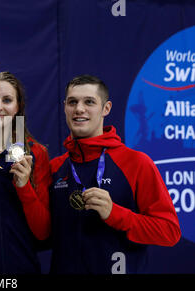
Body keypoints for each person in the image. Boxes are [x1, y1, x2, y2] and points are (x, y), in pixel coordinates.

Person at [48, 74, 181, 273]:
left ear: (106, 108)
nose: (79, 109)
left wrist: (116, 214)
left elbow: (169, 232)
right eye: (72, 102)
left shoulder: (136, 163)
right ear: (65, 106)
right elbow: (41, 234)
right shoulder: (55, 167)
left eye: (89, 102)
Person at [0, 71, 51, 273]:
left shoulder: (36, 153)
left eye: (7, 100)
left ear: (17, 107)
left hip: (23, 268)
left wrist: (24, 187)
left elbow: (43, 232)